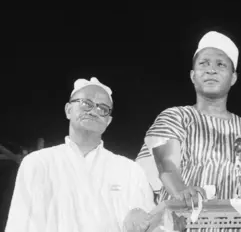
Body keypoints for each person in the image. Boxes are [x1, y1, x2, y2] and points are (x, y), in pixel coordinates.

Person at [4, 77, 173, 232]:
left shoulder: (130, 170)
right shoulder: (38, 163)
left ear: (108, 121)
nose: (93, 111)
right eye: (86, 103)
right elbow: (19, 223)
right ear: (68, 109)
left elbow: (150, 224)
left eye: (102, 109)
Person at [136, 31, 241, 208]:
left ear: (233, 78)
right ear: (193, 76)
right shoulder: (176, 116)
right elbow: (166, 163)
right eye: (204, 63)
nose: (211, 70)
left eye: (221, 64)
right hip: (183, 219)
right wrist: (181, 190)